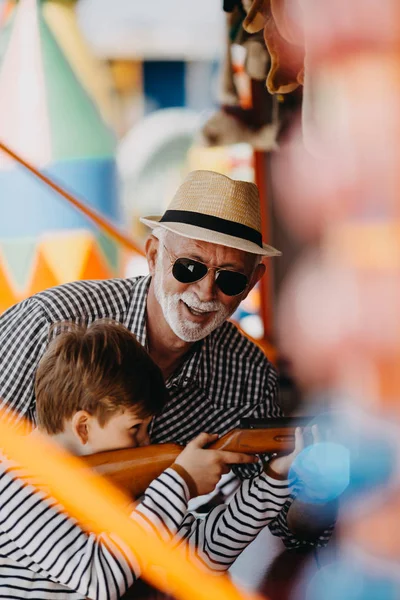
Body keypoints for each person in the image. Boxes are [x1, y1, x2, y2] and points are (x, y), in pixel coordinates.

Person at [0, 169, 334, 548]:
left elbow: (288, 528)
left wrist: (314, 489)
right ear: (154, 254)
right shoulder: (49, 322)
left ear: (252, 283)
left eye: (230, 280)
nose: (206, 291)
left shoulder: (248, 376)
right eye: (189, 267)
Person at [0, 320, 299, 599]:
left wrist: (273, 480)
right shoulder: (14, 480)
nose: (146, 441)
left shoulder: (107, 485)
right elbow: (97, 578)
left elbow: (197, 559)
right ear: (83, 427)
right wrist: (180, 481)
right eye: (135, 428)